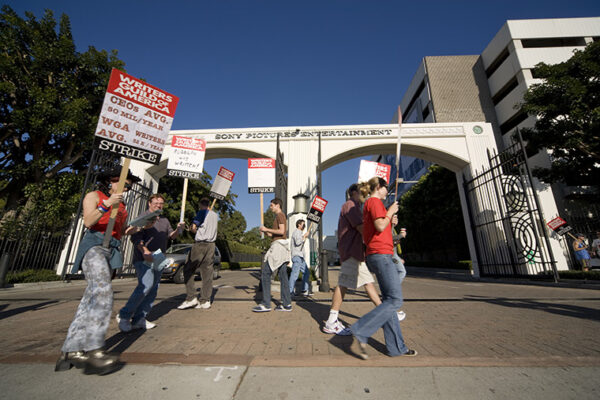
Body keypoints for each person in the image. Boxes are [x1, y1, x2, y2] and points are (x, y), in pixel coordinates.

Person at [56, 168, 143, 375]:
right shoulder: (94, 196)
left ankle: (71, 350)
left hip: (111, 249)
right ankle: (94, 350)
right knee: (103, 291)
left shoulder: (122, 206)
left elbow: (120, 231)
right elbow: (88, 221)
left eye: (129, 184)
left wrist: (140, 227)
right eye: (123, 182)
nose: (126, 187)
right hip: (94, 247)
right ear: (109, 181)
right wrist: (106, 204)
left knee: (91, 297)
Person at [349, 177, 417, 359]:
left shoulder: (371, 204)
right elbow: (380, 225)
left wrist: (390, 221)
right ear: (379, 187)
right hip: (381, 256)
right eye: (386, 187)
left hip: (378, 254)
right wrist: (389, 212)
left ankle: (397, 348)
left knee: (389, 302)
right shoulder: (376, 201)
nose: (388, 191)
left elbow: (380, 231)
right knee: (395, 300)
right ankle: (361, 329)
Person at [117, 194, 185, 331]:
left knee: (153, 289)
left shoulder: (165, 220)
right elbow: (136, 238)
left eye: (161, 203)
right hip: (144, 257)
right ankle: (124, 316)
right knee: (146, 286)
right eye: (156, 203)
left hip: (159, 257)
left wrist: (179, 229)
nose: (158, 205)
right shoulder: (144, 217)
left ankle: (139, 319)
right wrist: (145, 251)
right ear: (149, 203)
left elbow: (171, 236)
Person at [323, 183, 382, 335]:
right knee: (345, 284)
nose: (365, 195)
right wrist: (382, 225)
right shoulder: (350, 206)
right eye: (362, 193)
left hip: (353, 252)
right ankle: (331, 321)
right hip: (351, 252)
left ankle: (385, 312)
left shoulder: (353, 207)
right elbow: (362, 228)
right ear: (354, 193)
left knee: (366, 283)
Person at [177, 198, 218, 310]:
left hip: (200, 244)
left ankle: (191, 298)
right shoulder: (215, 215)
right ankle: (205, 300)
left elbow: (194, 228)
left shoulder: (202, 212)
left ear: (201, 205)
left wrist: (189, 228)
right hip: (211, 245)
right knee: (207, 272)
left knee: (188, 269)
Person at [253, 198, 292, 312]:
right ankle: (286, 304)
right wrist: (265, 231)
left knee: (265, 273)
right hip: (281, 247)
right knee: (283, 276)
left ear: (277, 205)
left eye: (271, 205)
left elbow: (281, 231)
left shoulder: (280, 215)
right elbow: (274, 234)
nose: (270, 207)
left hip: (278, 248)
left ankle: (266, 304)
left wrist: (266, 228)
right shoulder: (280, 216)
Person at [289, 219, 311, 297]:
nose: (304, 226)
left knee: (306, 272)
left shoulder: (300, 233)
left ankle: (304, 290)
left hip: (300, 257)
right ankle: (290, 291)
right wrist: (304, 236)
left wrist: (304, 236)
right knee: (295, 274)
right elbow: (298, 242)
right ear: (299, 225)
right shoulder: (297, 232)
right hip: (297, 256)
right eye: (303, 224)